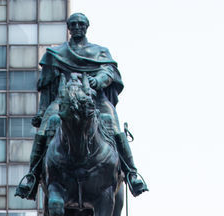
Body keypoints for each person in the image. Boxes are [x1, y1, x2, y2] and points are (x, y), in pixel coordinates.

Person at [15, 12, 147, 200]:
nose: (77, 27)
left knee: (114, 127)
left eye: (80, 24)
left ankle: (132, 173)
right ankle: (32, 176)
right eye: (73, 24)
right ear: (68, 28)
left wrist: (98, 80)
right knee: (45, 129)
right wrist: (42, 110)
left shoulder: (100, 52)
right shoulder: (56, 54)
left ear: (86, 27)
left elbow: (108, 72)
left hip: (95, 101)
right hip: (63, 101)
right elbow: (46, 85)